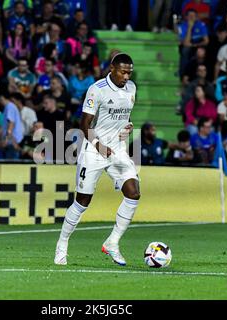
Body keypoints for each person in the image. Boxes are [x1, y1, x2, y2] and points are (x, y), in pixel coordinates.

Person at [54, 53, 139, 266]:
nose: (127, 76)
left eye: (129, 72)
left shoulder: (131, 89)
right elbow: (84, 124)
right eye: (123, 72)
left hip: (117, 149)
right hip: (94, 149)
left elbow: (123, 117)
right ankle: (62, 244)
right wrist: (100, 146)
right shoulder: (97, 89)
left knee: (133, 193)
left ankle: (112, 242)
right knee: (82, 201)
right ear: (112, 68)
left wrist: (127, 127)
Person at [0, 91, 24, 159]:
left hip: (12, 143)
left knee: (11, 166)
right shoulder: (9, 107)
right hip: (11, 142)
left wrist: (6, 140)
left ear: (1, 97)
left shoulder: (10, 106)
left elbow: (11, 124)